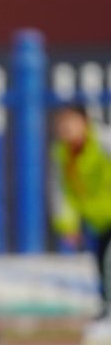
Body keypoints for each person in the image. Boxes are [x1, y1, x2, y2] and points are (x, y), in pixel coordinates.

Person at [50, 104, 111, 329]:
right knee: (101, 262)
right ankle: (107, 309)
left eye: (70, 123)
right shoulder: (63, 153)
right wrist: (67, 224)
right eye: (61, 125)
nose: (65, 129)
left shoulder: (104, 141)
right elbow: (62, 190)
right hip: (98, 218)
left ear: (85, 122)